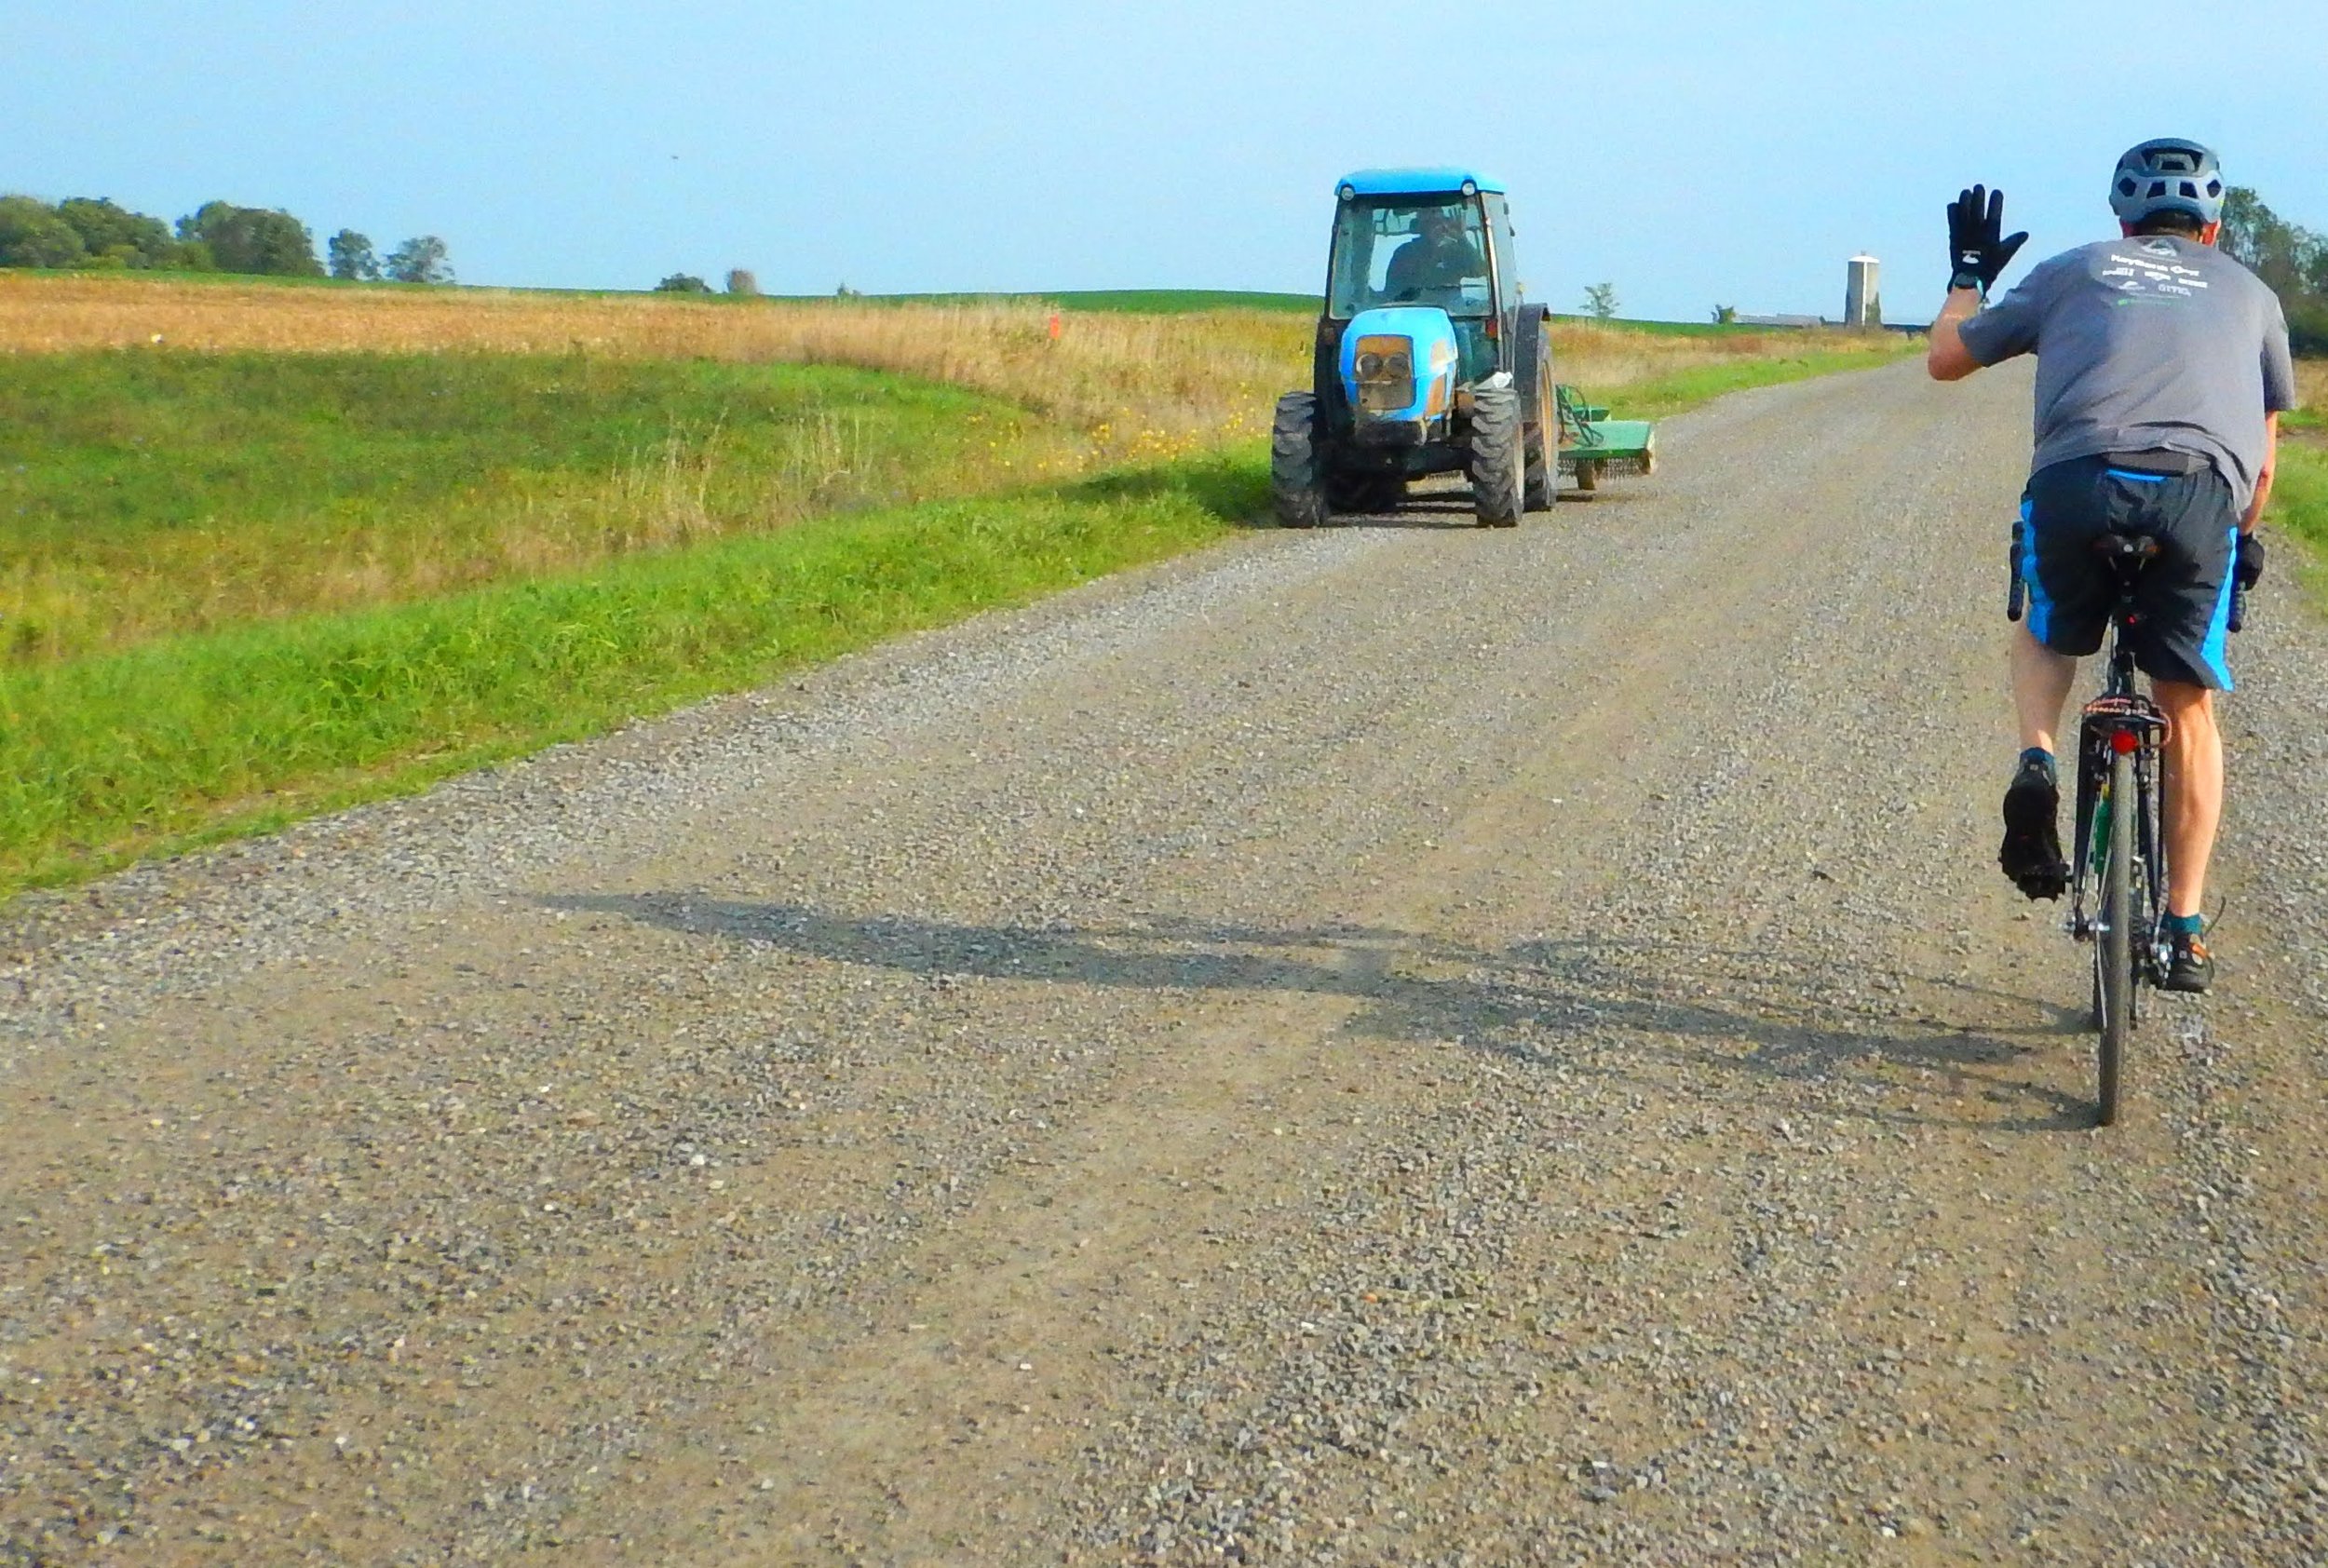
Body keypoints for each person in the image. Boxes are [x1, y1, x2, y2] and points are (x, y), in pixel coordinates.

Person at [1927, 140, 2297, 992]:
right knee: (2190, 707)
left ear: (2122, 222)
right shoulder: (2254, 295)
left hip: (2078, 483)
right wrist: (2235, 543)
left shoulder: (2076, 271)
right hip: (2197, 498)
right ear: (2213, 228)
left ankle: (2037, 762)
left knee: (2048, 634)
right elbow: (2265, 468)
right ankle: (2184, 927)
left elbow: (1946, 359)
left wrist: (1968, 275)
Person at [1384, 207, 1482, 300]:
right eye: (1431, 223)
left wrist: (1462, 239)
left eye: (1440, 222)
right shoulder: (1405, 252)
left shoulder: (1454, 251)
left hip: (1454, 313)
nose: (1437, 227)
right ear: (1421, 227)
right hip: (1414, 308)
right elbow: (1392, 291)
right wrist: (1434, 250)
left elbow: (1479, 271)